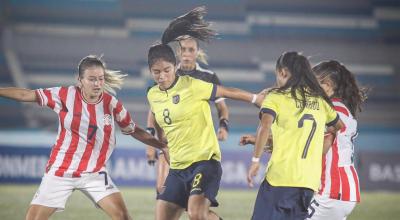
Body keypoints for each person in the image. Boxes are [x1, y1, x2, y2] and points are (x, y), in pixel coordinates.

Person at [0, 55, 169, 220]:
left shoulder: (112, 104)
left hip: (94, 172)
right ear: (80, 80)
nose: (98, 84)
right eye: (92, 79)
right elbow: (25, 95)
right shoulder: (64, 95)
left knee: (122, 217)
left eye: (101, 79)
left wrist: (161, 145)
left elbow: (134, 130)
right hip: (61, 170)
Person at [146, 6, 265, 220]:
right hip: (178, 166)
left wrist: (255, 98)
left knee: (195, 214)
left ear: (175, 65)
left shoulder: (194, 83)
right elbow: (158, 120)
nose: (162, 76)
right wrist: (157, 144)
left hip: (204, 161)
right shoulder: (153, 94)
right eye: (156, 72)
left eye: (166, 70)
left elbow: (227, 93)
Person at [246, 51, 344, 220]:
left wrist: (255, 160)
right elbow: (338, 126)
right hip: (308, 183)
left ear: (283, 72)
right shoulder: (320, 100)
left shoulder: (276, 96)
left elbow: (265, 125)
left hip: (281, 178)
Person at [145, 35, 230, 196]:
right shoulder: (164, 74)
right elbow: (154, 111)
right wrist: (152, 142)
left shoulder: (208, 76)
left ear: (197, 52)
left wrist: (224, 125)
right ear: (178, 52)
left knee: (192, 200)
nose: (186, 53)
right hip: (171, 142)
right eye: (183, 49)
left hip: (198, 146)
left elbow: (222, 107)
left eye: (191, 49)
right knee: (162, 190)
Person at [306, 60, 366, 220]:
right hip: (342, 189)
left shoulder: (330, 110)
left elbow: (319, 146)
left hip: (333, 189)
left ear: (327, 84)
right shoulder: (341, 108)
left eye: (313, 82)